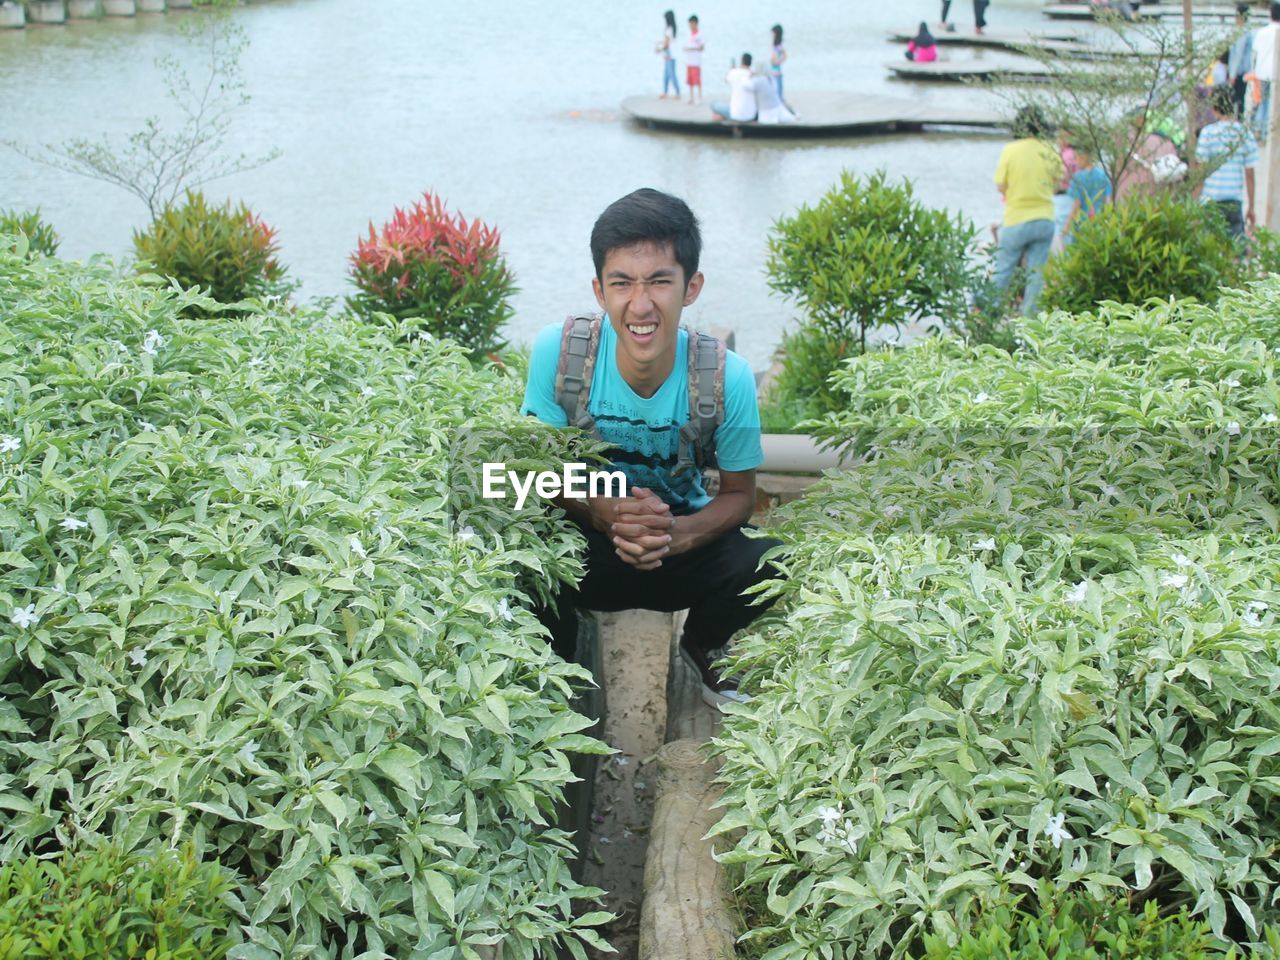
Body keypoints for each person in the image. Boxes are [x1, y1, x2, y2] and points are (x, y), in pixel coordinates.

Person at [521, 188, 780, 706]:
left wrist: (679, 534)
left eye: (660, 281)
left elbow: (739, 496)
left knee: (771, 560)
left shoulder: (726, 377)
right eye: (622, 283)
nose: (641, 305)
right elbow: (527, 476)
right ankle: (558, 672)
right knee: (522, 556)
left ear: (691, 287)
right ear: (599, 290)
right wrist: (598, 511)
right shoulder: (560, 354)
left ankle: (703, 642)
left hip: (678, 552)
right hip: (588, 551)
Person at [992, 106, 1063, 316]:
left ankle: (989, 316)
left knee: (1003, 270)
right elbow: (1057, 185)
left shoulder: (1010, 150)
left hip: (1016, 219)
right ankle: (1029, 322)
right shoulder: (1050, 149)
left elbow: (1000, 186)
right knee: (1036, 274)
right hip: (1044, 219)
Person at [1196, 87, 1259, 239]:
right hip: (1233, 200)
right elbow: (1249, 174)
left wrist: (1194, 201)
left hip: (1210, 200)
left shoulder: (1208, 133)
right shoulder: (1244, 133)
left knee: (1208, 249)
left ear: (1215, 108)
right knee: (1235, 251)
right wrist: (1251, 206)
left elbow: (1201, 172)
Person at [1060, 144, 1112, 243]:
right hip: (1099, 223)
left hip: (1082, 224)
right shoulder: (1103, 176)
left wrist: (1067, 226)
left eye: (1076, 157)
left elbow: (1076, 205)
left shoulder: (1078, 178)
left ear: (1083, 157)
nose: (1075, 161)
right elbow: (1108, 201)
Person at [1250, 1, 1280, 142]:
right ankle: (1268, 132)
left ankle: (1258, 129)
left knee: (1262, 102)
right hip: (1276, 74)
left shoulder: (1262, 32)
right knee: (1273, 105)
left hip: (1262, 73)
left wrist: (1254, 70)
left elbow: (1255, 54)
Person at [712, 53, 758, 122]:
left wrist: (731, 70)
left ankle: (724, 117)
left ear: (741, 61)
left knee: (714, 105)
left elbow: (726, 80)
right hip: (751, 114)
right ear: (750, 63)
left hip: (736, 114)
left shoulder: (734, 72)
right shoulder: (753, 74)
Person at [1228, 4, 1255, 119]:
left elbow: (1238, 54)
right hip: (1243, 71)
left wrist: (1232, 74)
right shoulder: (1248, 31)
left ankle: (1236, 121)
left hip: (1239, 72)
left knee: (1236, 99)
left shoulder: (1242, 32)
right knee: (1240, 98)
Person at [657, 10, 680, 99]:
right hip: (670, 54)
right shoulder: (673, 29)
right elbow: (668, 41)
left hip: (670, 54)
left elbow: (666, 44)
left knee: (671, 74)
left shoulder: (669, 29)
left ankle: (677, 92)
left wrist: (659, 49)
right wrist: (659, 42)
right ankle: (665, 92)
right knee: (666, 74)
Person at [685, 14, 706, 104]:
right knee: (690, 80)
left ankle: (700, 97)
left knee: (697, 80)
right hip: (689, 60)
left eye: (691, 24)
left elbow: (702, 48)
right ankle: (691, 97)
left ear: (695, 23)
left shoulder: (700, 34)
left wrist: (692, 49)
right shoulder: (689, 34)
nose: (690, 26)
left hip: (696, 61)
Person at [769, 24, 786, 99]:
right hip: (774, 70)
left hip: (777, 71)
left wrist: (777, 61)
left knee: (778, 92)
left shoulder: (779, 45)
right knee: (776, 91)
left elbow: (785, 55)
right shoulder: (776, 45)